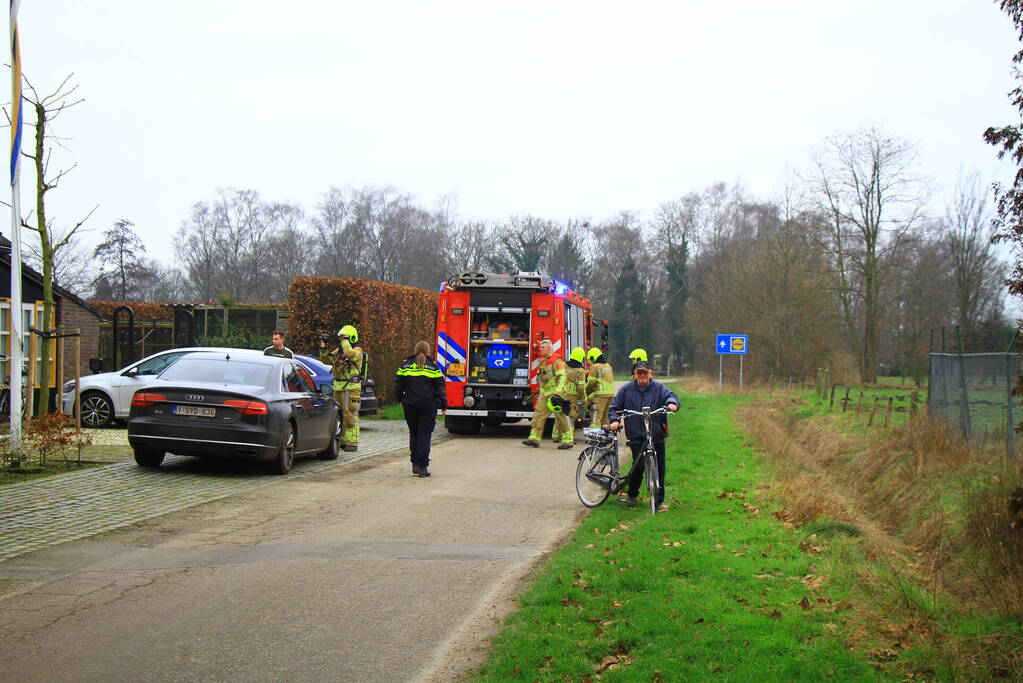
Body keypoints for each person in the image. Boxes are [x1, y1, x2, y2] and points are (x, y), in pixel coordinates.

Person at [608, 361, 679, 511]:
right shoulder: (626, 389)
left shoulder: (659, 388)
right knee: (638, 466)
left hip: (656, 433)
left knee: (659, 468)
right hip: (636, 434)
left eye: (645, 373)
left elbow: (671, 396)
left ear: (651, 374)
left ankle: (658, 501)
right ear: (635, 375)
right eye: (639, 373)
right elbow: (614, 407)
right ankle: (632, 494)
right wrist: (614, 420)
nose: (642, 376)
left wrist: (672, 404)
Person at [395, 341, 446, 477]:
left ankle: (415, 465)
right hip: (428, 405)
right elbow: (440, 387)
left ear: (415, 350)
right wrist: (443, 405)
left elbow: (398, 385)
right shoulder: (433, 367)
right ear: (428, 351)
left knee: (414, 433)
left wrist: (400, 399)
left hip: (410, 405)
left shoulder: (405, 364)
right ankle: (423, 467)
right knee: (425, 435)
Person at [522, 339, 573, 450]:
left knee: (561, 418)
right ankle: (534, 438)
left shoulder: (557, 361)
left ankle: (568, 440)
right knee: (538, 415)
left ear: (549, 348)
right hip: (545, 394)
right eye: (540, 347)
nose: (540, 349)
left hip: (556, 395)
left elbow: (562, 377)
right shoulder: (543, 361)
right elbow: (542, 378)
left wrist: (558, 391)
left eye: (543, 347)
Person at [320, 324, 364, 452]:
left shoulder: (357, 350)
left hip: (352, 388)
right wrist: (323, 346)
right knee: (340, 415)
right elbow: (326, 360)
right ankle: (343, 440)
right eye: (341, 338)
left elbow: (349, 354)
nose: (342, 340)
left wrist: (345, 341)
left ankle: (352, 442)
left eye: (344, 338)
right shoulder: (339, 351)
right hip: (339, 387)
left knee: (350, 414)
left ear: (351, 338)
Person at [553, 347, 587, 445]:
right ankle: (568, 437)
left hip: (560, 393)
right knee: (569, 416)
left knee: (560, 414)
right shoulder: (581, 371)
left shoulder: (563, 365)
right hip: (572, 396)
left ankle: (555, 436)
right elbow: (581, 387)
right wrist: (584, 400)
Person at [585, 347, 614, 428]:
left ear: (593, 358)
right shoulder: (608, 366)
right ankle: (607, 433)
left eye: (589, 359)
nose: (588, 362)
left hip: (600, 395)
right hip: (610, 395)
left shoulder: (594, 367)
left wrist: (585, 393)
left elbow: (591, 383)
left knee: (596, 418)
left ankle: (595, 434)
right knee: (605, 418)